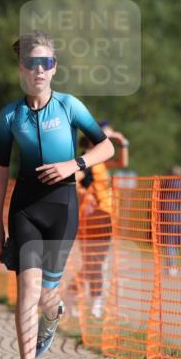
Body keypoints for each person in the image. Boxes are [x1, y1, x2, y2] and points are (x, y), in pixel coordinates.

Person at [0, 30, 115, 359]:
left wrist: (72, 164)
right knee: (27, 289)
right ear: (21, 68)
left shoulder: (70, 106)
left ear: (54, 68)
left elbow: (105, 146)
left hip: (62, 209)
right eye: (31, 63)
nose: (38, 70)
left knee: (47, 297)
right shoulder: (10, 115)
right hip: (25, 207)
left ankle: (53, 313)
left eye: (45, 63)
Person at [76, 134, 115, 319]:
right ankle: (96, 303)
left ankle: (75, 293)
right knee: (96, 263)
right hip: (92, 218)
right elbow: (75, 178)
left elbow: (122, 160)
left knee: (94, 264)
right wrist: (84, 193)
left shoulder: (99, 161)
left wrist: (121, 140)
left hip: (104, 216)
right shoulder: (87, 161)